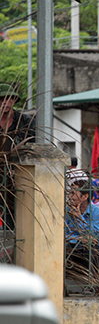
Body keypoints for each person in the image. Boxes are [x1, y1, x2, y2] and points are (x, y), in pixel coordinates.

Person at [0, 83, 36, 231]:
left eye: (9, 99)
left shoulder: (26, 122)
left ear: (14, 101)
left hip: (19, 177)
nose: (5, 103)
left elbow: (35, 149)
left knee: (18, 221)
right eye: (1, 99)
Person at [65, 179, 99, 277]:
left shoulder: (96, 212)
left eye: (73, 193)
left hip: (92, 254)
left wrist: (79, 217)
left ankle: (91, 285)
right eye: (69, 193)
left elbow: (94, 236)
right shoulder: (67, 211)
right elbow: (62, 234)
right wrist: (78, 239)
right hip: (73, 250)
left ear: (85, 197)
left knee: (91, 248)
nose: (69, 197)